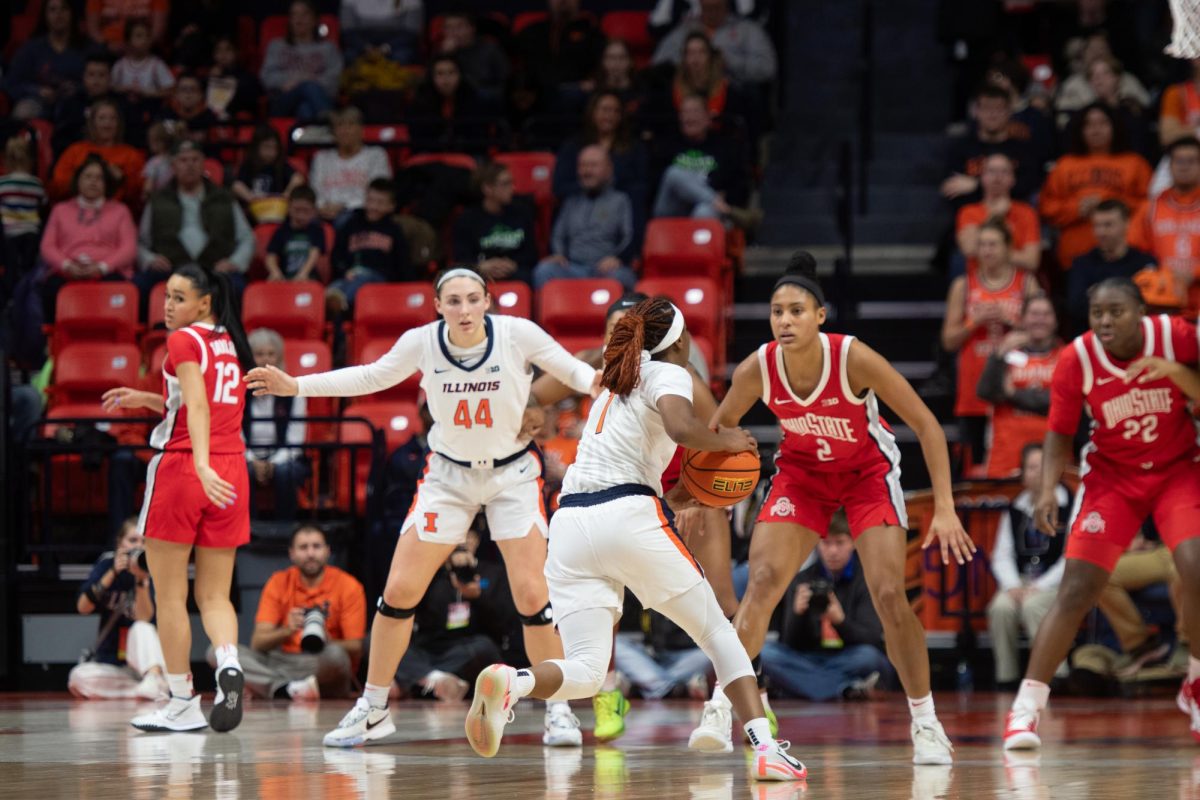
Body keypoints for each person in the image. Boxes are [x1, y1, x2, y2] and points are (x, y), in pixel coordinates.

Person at [245, 266, 603, 749]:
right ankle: (372, 708)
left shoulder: (517, 334)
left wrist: (598, 382)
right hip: (448, 475)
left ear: (487, 301)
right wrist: (297, 386)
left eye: (473, 299)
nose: (464, 309)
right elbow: (371, 376)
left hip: (511, 474)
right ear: (438, 306)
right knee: (398, 591)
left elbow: (572, 371)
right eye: (453, 301)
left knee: (531, 594)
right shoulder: (422, 342)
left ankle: (557, 711)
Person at [461, 296, 806, 782]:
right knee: (718, 634)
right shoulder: (668, 373)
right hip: (625, 514)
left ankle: (514, 682)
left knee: (585, 669)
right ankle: (767, 748)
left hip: (573, 522)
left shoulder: (613, 383)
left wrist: (681, 496)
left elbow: (643, 458)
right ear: (681, 342)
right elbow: (681, 427)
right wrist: (727, 441)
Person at [690, 251, 973, 764]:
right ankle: (718, 707)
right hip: (803, 476)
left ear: (820, 316)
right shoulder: (759, 367)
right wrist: (709, 483)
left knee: (889, 595)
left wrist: (947, 507)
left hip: (868, 476)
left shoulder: (852, 357)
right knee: (762, 584)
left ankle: (926, 722)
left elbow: (928, 425)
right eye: (777, 311)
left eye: (797, 310)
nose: (785, 320)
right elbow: (717, 431)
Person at [1003, 277, 1200, 749]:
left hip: (1177, 470)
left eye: (1117, 311)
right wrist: (1048, 489)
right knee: (1076, 588)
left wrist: (1175, 372)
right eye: (1098, 313)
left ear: (1141, 312)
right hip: (1113, 478)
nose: (1106, 321)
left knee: (1195, 566)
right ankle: (1025, 711)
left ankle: (1194, 678)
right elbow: (1058, 433)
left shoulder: (1176, 335)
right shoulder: (1078, 358)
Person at [528, 291, 733, 742]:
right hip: (620, 491)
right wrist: (532, 428)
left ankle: (726, 705)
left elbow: (712, 433)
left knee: (722, 601)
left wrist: (698, 497)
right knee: (604, 607)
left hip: (684, 484)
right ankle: (607, 694)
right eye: (618, 330)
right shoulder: (590, 365)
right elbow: (530, 399)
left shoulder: (679, 374)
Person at [100, 263, 256, 733]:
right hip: (233, 471)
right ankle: (228, 662)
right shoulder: (228, 342)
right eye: (166, 296)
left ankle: (184, 702)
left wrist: (201, 465)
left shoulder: (184, 341)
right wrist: (149, 400)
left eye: (179, 298)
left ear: (204, 303)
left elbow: (199, 407)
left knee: (170, 595)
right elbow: (196, 399)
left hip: (188, 467)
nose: (168, 306)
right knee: (214, 594)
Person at [220, 524, 365, 700]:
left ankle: (269, 685)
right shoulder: (278, 582)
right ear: (292, 553)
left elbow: (356, 647)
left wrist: (327, 640)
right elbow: (257, 643)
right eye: (303, 547)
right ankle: (286, 688)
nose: (311, 553)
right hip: (284, 661)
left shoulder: (349, 586)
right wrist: (287, 630)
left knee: (336, 656)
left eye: (316, 546)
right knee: (220, 652)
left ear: (328, 551)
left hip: (322, 665)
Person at [761, 510, 893, 702]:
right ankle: (844, 689)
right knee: (766, 653)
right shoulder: (801, 579)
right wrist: (797, 614)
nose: (832, 551)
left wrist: (840, 621)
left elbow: (872, 638)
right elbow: (789, 643)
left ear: (853, 543)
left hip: (846, 657)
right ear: (818, 544)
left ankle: (800, 685)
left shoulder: (866, 580)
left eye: (839, 542)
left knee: (870, 658)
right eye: (826, 543)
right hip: (807, 657)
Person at [941, 220, 1039, 466]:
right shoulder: (963, 285)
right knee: (973, 464)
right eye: (982, 245)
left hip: (1013, 384)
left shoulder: (1026, 283)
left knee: (1014, 460)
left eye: (993, 244)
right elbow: (948, 340)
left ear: (1008, 247)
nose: (986, 251)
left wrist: (1011, 322)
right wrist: (975, 321)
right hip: (973, 386)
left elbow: (1043, 334)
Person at [135, 140, 255, 312]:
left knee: (237, 287)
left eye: (195, 159)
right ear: (173, 166)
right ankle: (153, 332)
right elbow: (141, 242)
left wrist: (234, 262)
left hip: (214, 267)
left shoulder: (224, 198)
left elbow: (246, 238)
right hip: (172, 268)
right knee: (139, 286)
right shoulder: (157, 201)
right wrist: (149, 259)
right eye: (183, 160)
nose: (189, 165)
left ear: (203, 163)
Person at [987, 444, 1070, 690]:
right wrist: (1013, 586)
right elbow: (1002, 555)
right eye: (1032, 467)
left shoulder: (1069, 503)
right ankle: (1007, 677)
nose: (1039, 473)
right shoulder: (1016, 508)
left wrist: (1039, 586)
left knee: (1034, 606)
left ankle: (1055, 676)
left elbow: (1070, 557)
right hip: (1022, 579)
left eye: (1044, 466)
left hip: (1057, 581)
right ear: (1023, 474)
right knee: (1000, 608)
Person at [392, 528, 510, 701]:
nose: (461, 544)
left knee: (484, 649)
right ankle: (435, 679)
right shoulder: (427, 573)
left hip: (467, 649)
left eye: (467, 537)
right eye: (457, 537)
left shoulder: (494, 574)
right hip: (430, 649)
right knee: (382, 639)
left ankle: (419, 679)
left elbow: (504, 627)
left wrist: (477, 597)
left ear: (476, 541)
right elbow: (409, 614)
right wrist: (438, 567)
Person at [1039, 102, 1151, 270]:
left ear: (1114, 127)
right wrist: (1077, 208)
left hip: (1125, 256)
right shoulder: (1065, 165)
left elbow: (1150, 208)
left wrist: (1110, 204)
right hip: (1074, 258)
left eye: (1102, 123)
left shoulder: (1135, 164)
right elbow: (1046, 207)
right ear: (1080, 130)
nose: (1096, 129)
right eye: (1089, 124)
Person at [66, 519, 168, 700]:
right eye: (133, 540)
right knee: (78, 678)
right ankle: (145, 691)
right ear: (119, 543)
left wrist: (141, 579)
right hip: (116, 665)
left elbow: (144, 617)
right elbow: (83, 607)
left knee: (140, 627)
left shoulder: (155, 568)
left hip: (150, 661)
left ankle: (153, 680)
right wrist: (113, 572)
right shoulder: (107, 563)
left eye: (144, 542)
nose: (138, 546)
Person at [39, 155, 138, 321]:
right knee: (51, 288)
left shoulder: (120, 211)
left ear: (106, 183)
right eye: (88, 176)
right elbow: (47, 246)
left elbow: (128, 248)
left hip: (108, 273)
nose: (93, 182)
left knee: (119, 287)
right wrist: (67, 266)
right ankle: (54, 341)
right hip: (68, 272)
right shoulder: (60, 210)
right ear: (78, 180)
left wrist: (102, 267)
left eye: (99, 178)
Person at [976, 295, 1062, 478]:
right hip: (1005, 453)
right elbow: (985, 392)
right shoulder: (1006, 353)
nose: (1040, 320)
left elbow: (1058, 401)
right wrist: (998, 355)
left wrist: (1012, 393)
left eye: (1046, 314)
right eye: (1034, 314)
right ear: (1022, 319)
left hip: (1052, 450)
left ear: (1055, 320)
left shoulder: (1066, 355)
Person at [533, 146, 636, 290]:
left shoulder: (621, 200)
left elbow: (629, 235)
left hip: (605, 268)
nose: (587, 171)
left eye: (593, 165)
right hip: (573, 268)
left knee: (623, 277)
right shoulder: (570, 202)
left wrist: (617, 257)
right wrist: (558, 254)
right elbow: (558, 235)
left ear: (609, 169)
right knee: (544, 270)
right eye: (583, 166)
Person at [651, 94, 756, 230]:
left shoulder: (725, 147)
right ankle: (720, 205)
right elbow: (657, 182)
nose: (689, 117)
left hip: (706, 210)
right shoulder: (668, 145)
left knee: (704, 211)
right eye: (685, 112)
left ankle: (695, 250)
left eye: (695, 111)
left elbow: (739, 183)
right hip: (671, 209)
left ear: (708, 118)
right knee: (674, 173)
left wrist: (725, 194)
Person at [553, 91, 650, 230]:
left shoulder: (634, 147)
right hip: (581, 206)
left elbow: (642, 185)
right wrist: (590, 187)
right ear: (592, 112)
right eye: (605, 110)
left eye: (615, 111)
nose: (609, 116)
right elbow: (559, 187)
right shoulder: (573, 146)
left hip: (619, 207)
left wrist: (609, 188)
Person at [1098, 527, 1187, 678]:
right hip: (1165, 549)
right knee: (1099, 576)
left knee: (1187, 571)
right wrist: (1137, 539)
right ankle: (1141, 646)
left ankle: (1188, 643)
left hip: (1192, 547)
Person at [1129, 137, 1200, 317]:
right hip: (1162, 303)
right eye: (1178, 161)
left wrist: (1194, 273)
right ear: (1169, 166)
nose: (1184, 166)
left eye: (1192, 161)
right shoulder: (1151, 207)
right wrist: (1161, 275)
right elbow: (1135, 252)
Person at [245, 329, 309, 521]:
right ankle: (248, 530)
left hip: (285, 454)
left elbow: (296, 439)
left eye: (271, 354)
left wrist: (273, 462)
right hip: (246, 454)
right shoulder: (236, 390)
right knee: (242, 469)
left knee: (285, 471)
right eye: (259, 354)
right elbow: (233, 434)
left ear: (279, 357)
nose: (266, 360)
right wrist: (251, 459)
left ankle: (285, 530)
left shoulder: (294, 390)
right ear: (249, 357)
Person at [1065, 199, 1155, 334]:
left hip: (1136, 337)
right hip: (1093, 336)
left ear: (1126, 224)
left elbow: (1150, 305)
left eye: (1108, 225)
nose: (1101, 232)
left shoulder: (1144, 263)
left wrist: (1096, 294)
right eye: (1097, 226)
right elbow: (1076, 307)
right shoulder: (1082, 264)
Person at [941, 84, 1040, 206]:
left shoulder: (1023, 149)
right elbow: (952, 188)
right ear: (976, 111)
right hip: (970, 217)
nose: (992, 115)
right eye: (987, 108)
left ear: (1009, 112)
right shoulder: (960, 148)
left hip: (1013, 216)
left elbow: (1027, 187)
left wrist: (977, 185)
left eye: (999, 109)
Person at [326, 178, 412, 316]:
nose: (374, 207)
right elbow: (337, 255)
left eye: (380, 203)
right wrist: (344, 272)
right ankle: (332, 302)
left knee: (363, 280)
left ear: (391, 206)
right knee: (335, 286)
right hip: (350, 276)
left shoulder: (394, 230)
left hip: (379, 280)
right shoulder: (351, 225)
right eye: (370, 200)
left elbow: (403, 263)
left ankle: (341, 303)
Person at [652, 0, 777, 87]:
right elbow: (658, 64)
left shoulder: (747, 30)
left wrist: (728, 61)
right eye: (707, 8)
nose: (711, 13)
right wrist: (688, 62)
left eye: (716, 7)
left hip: (733, 92)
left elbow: (767, 69)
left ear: (726, 4)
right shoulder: (684, 31)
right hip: (688, 96)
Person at [954, 154, 1040, 276]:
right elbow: (970, 249)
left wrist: (989, 253)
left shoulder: (1026, 212)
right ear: (982, 177)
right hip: (980, 283)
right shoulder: (968, 212)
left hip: (1016, 283)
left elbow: (1032, 261)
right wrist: (995, 215)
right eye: (991, 171)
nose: (997, 177)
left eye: (1004, 172)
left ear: (1013, 179)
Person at [49, 98, 146, 205]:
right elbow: (57, 187)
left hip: (116, 214)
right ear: (92, 123)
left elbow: (141, 194)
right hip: (77, 212)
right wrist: (82, 177)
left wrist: (122, 179)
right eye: (102, 118)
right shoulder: (75, 151)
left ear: (119, 124)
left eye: (113, 119)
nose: (107, 124)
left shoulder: (131, 155)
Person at [452, 163, 538, 283]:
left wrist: (512, 264)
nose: (512, 188)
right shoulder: (468, 219)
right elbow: (461, 258)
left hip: (516, 272)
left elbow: (531, 254)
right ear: (487, 188)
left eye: (512, 182)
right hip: (479, 274)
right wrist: (481, 266)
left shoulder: (522, 213)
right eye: (505, 184)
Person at [260, 0, 343, 122]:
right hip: (284, 100)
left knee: (305, 108)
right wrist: (298, 82)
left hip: (317, 99)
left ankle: (311, 136)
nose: (299, 20)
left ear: (315, 20)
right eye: (294, 15)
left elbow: (334, 82)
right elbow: (266, 76)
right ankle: (328, 124)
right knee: (307, 87)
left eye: (304, 15)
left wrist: (304, 82)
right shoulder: (277, 46)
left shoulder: (328, 48)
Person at [3, 0, 87, 121]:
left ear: (72, 13)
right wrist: (37, 91)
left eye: (64, 9)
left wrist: (77, 88)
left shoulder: (87, 47)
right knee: (23, 111)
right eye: (52, 10)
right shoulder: (31, 49)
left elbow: (99, 81)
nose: (58, 14)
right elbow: (12, 82)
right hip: (37, 101)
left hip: (77, 102)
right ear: (45, 15)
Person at [310, 106, 392, 227]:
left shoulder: (376, 155)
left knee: (345, 221)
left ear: (361, 130)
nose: (345, 131)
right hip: (324, 212)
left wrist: (344, 206)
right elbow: (315, 190)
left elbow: (380, 191)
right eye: (339, 126)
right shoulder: (321, 157)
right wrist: (322, 207)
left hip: (361, 212)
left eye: (350, 125)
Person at [614, 610, 712, 701]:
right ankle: (680, 689)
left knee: (713, 652)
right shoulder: (647, 593)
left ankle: (640, 686)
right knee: (615, 643)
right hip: (651, 657)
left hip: (688, 656)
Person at [407, 54, 492, 155]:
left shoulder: (474, 101)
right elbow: (419, 141)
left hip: (467, 155)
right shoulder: (419, 104)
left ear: (460, 75)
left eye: (451, 73)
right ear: (431, 77)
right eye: (440, 73)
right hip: (431, 156)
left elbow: (479, 139)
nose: (446, 79)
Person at [232, 125, 303, 226]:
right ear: (257, 147)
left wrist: (286, 195)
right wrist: (252, 198)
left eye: (274, 148)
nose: (271, 152)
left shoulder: (281, 164)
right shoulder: (249, 164)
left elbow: (298, 179)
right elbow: (237, 185)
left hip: (278, 211)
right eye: (266, 147)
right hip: (254, 212)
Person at [0, 138, 46, 283]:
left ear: (6, 159)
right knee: (28, 270)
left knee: (10, 269)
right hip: (31, 233)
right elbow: (43, 204)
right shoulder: (37, 184)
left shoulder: (3, 183)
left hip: (8, 233)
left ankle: (10, 298)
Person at [438, 11, 509, 100]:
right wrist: (445, 55)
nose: (454, 32)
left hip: (485, 98)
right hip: (454, 100)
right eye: (449, 28)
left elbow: (505, 81)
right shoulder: (443, 52)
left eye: (459, 27)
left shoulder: (490, 49)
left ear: (472, 28)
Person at [265, 186, 325, 283]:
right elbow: (271, 255)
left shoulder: (317, 230)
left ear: (314, 211)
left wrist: (303, 273)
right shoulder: (281, 231)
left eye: (306, 211)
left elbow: (314, 253)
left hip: (308, 277)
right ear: (289, 208)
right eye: (297, 210)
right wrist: (275, 272)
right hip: (284, 278)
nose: (300, 216)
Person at [111, 19, 175, 110]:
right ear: (128, 40)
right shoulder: (120, 65)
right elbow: (111, 87)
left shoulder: (157, 65)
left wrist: (148, 93)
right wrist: (126, 89)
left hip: (150, 110)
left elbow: (170, 91)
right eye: (139, 36)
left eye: (147, 36)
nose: (144, 40)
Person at [340, 0, 423, 64]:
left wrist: (386, 48)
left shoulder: (412, 1)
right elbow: (348, 30)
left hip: (396, 44)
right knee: (349, 57)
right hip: (362, 42)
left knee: (401, 57)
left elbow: (411, 32)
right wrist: (365, 47)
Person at [205, 35, 264, 122]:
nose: (223, 54)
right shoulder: (207, 78)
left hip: (235, 121)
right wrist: (212, 80)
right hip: (211, 120)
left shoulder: (247, 77)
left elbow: (253, 100)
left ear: (236, 53)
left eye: (228, 49)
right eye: (219, 50)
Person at [156, 73, 218, 152]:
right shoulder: (166, 115)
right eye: (183, 90)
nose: (188, 95)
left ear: (201, 95)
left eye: (193, 90)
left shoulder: (210, 117)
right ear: (176, 94)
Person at [86, 0, 168, 54]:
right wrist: (107, 45)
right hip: (107, 46)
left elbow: (158, 30)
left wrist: (142, 45)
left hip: (143, 45)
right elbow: (93, 30)